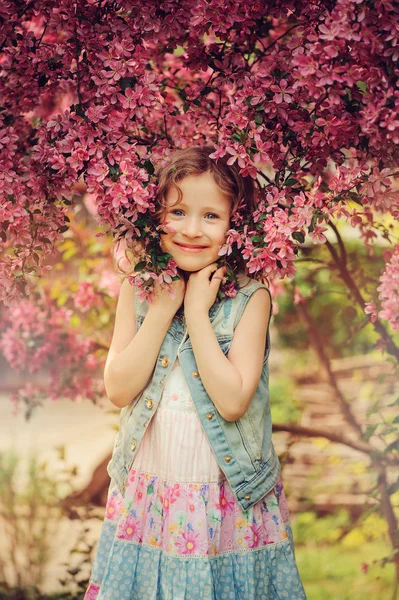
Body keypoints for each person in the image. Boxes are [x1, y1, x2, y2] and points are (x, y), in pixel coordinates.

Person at [84, 146, 307, 600]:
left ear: (234, 226)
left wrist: (198, 313)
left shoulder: (250, 299)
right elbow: (119, 388)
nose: (191, 229)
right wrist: (165, 309)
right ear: (155, 218)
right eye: (178, 211)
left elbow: (231, 401)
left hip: (225, 500)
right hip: (150, 500)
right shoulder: (140, 289)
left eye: (210, 216)